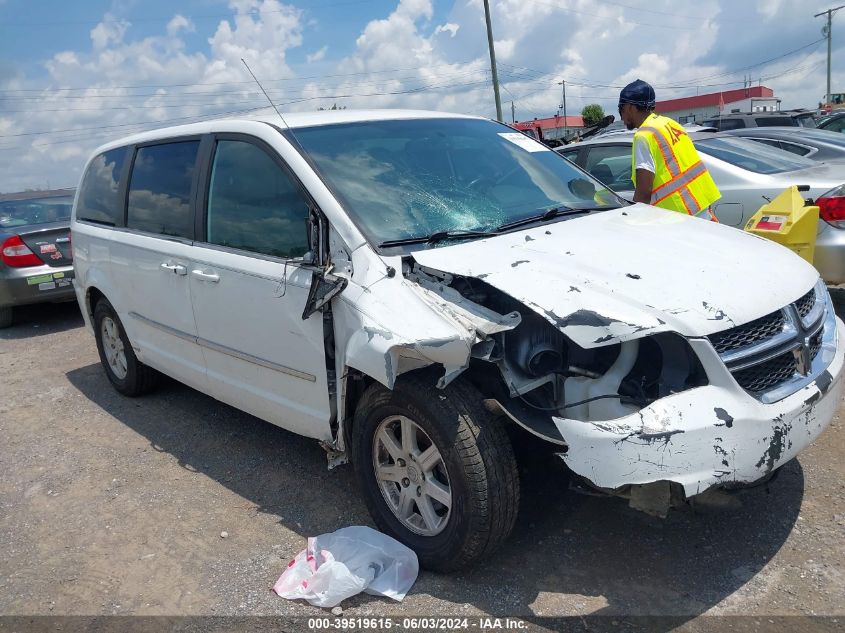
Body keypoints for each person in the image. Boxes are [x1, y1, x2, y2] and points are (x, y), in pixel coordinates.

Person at [617, 79, 721, 219]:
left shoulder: (644, 135)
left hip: (677, 216)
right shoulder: (670, 123)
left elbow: (644, 191)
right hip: (701, 208)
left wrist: (634, 219)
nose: (621, 116)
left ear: (630, 107)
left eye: (621, 109)